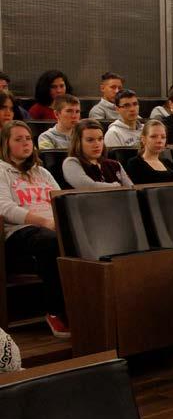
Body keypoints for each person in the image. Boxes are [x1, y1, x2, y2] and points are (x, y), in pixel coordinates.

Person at [0, 120, 68, 338]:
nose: (26, 143)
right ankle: (56, 311)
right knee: (49, 240)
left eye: (28, 138)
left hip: (51, 227)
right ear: (5, 144)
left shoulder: (42, 172)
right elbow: (5, 207)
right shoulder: (1, 171)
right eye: (18, 139)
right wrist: (44, 221)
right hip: (19, 231)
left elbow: (60, 199)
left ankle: (87, 308)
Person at [63, 119, 133, 188]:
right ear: (78, 142)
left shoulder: (115, 165)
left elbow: (132, 190)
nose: (97, 144)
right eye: (90, 140)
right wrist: (117, 186)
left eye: (100, 139)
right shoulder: (71, 162)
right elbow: (88, 186)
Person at [125, 119, 173, 184]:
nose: (159, 141)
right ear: (143, 139)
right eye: (153, 136)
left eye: (163, 137)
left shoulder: (167, 162)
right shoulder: (135, 163)